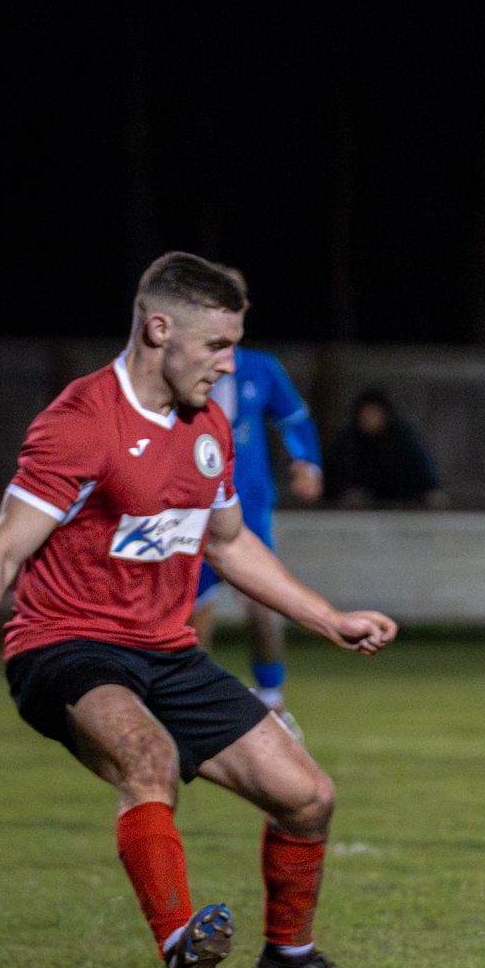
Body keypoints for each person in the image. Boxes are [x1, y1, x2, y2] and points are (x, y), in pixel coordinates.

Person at [0, 253, 397, 968]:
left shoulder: (209, 425)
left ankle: (291, 956)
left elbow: (230, 541)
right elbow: (3, 545)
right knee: (151, 758)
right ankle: (183, 945)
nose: (229, 364)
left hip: (167, 651)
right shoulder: (80, 423)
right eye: (216, 346)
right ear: (159, 327)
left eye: (235, 345)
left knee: (308, 795)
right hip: (64, 645)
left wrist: (326, 617)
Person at [189, 268, 323, 735]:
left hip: (248, 510)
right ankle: (192, 709)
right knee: (191, 618)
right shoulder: (179, 368)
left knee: (264, 604)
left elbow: (295, 419)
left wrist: (308, 463)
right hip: (190, 511)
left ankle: (272, 702)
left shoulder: (261, 369)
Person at [325, 390, 445, 507]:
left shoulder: (403, 439)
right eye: (365, 414)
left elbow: (424, 475)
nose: (369, 419)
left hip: (404, 504)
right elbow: (333, 478)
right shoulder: (348, 440)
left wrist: (429, 492)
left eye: (373, 413)